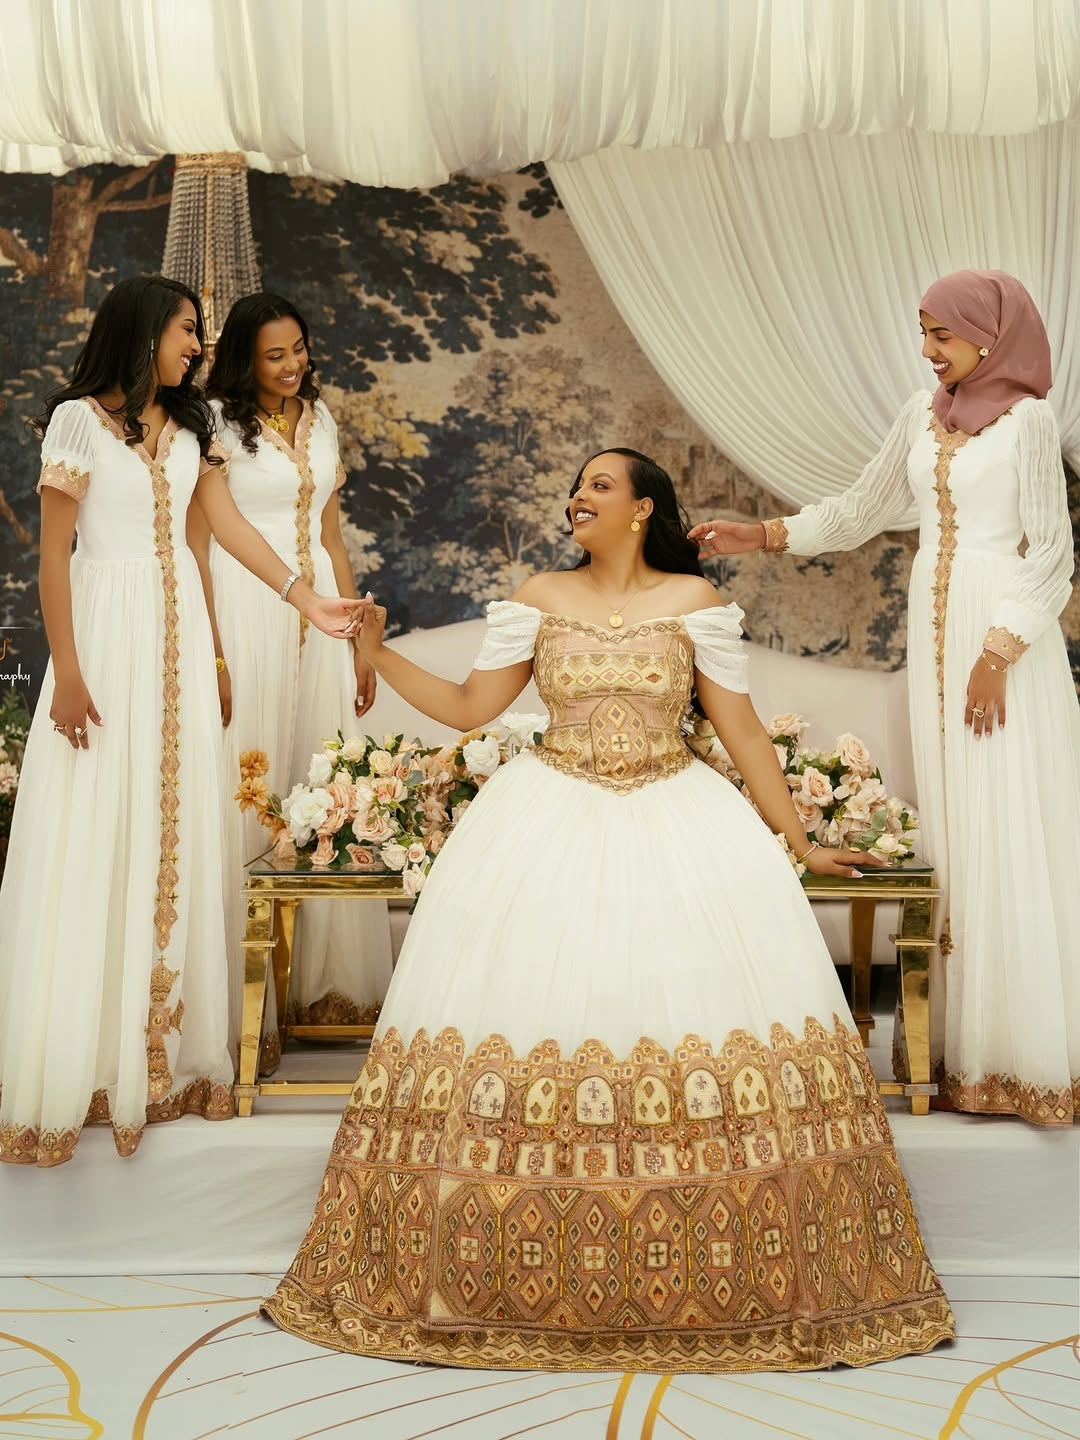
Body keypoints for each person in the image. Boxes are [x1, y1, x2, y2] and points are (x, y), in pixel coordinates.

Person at [265, 448, 954, 1372]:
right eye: (575, 484)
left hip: (681, 818)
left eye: (598, 485)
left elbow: (741, 730)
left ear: (643, 509)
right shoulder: (539, 596)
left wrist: (797, 841)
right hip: (547, 816)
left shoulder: (696, 606)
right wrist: (375, 652)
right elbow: (471, 707)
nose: (577, 497)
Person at [691, 270, 1080, 1127]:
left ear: (991, 336)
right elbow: (863, 509)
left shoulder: (1028, 420)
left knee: (1005, 822)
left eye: (942, 333)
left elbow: (1052, 552)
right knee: (957, 827)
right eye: (923, 330)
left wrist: (999, 651)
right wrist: (758, 535)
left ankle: (1026, 1057)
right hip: (936, 640)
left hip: (1001, 645)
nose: (929, 349)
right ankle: (960, 1049)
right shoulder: (923, 413)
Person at [0, 276, 363, 1168]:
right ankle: (85, 1064)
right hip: (105, 641)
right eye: (185, 330)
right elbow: (52, 562)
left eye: (199, 332)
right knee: (102, 831)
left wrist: (306, 598)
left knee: (179, 835)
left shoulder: (195, 425)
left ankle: (170, 1063)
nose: (197, 344)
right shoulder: (77, 423)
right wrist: (70, 675)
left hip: (180, 641)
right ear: (141, 333)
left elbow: (229, 528)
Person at [197, 294, 392, 1061]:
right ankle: (240, 1006)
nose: (292, 366)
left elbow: (332, 536)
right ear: (244, 357)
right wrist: (212, 648)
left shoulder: (320, 416)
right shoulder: (210, 422)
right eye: (274, 355)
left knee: (319, 785)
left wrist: (360, 639)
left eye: (299, 349)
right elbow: (207, 534)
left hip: (322, 622)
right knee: (252, 784)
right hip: (251, 615)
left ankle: (320, 992)